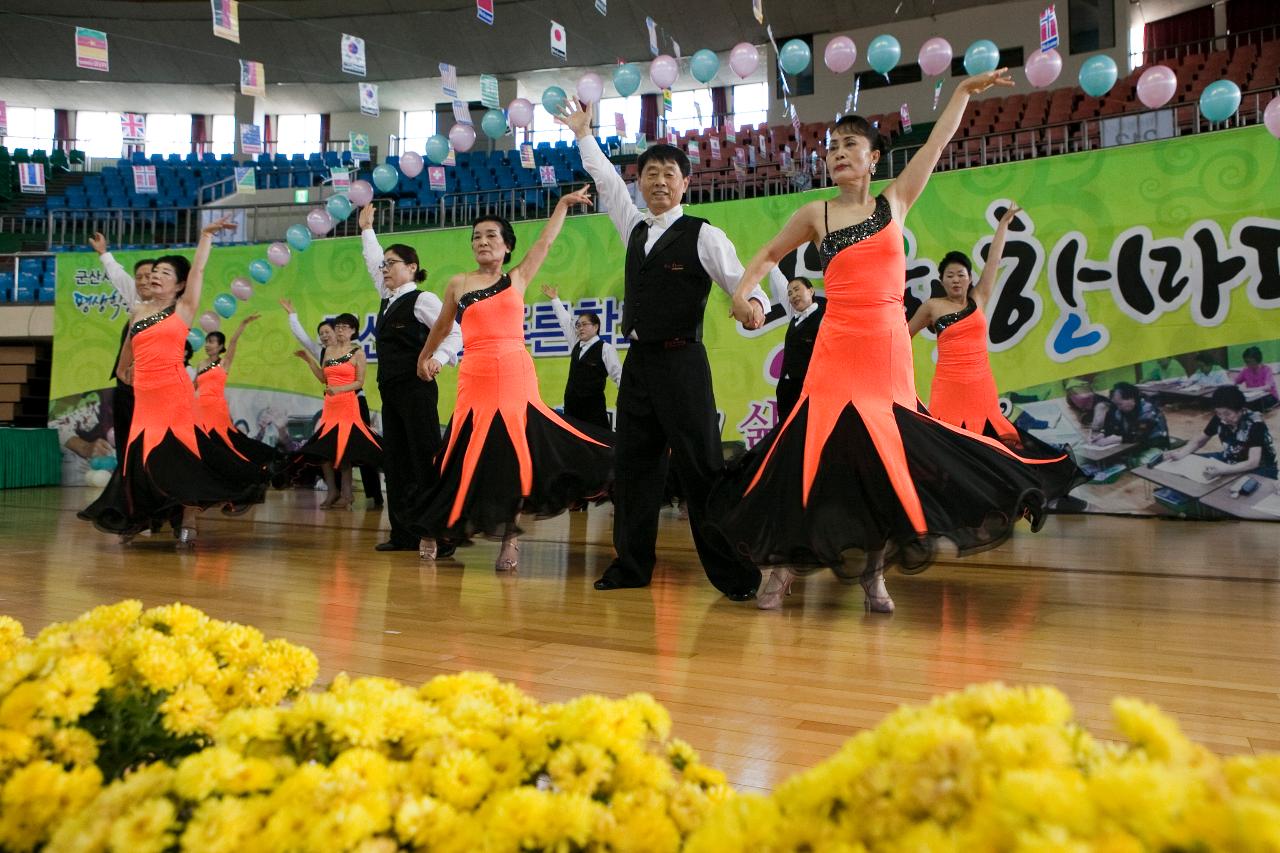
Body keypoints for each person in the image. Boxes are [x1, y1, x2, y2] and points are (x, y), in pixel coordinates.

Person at [710, 70, 1078, 612]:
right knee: (815, 455)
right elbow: (766, 255)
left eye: (849, 145)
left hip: (885, 347)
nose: (837, 153)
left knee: (883, 463)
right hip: (836, 346)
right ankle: (784, 569)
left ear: (874, 157)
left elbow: (937, 143)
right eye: (832, 147)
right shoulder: (817, 212)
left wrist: (960, 94)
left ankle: (874, 575)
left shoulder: (895, 201)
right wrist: (742, 295)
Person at [558, 99, 777, 601]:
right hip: (638, 367)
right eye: (649, 173)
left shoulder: (704, 233)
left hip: (683, 364)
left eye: (669, 174)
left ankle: (734, 575)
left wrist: (755, 304)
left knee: (702, 469)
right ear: (641, 183)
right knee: (633, 470)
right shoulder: (633, 227)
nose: (658, 181)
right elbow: (607, 183)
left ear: (684, 183)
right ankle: (631, 566)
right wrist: (584, 135)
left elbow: (742, 281)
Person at [412, 190, 611, 571]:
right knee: (459, 452)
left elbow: (546, 241)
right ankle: (436, 527)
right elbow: (441, 327)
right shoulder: (458, 283)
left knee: (516, 457)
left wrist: (563, 206)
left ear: (506, 246)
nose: (482, 242)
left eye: (491, 236)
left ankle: (511, 540)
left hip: (515, 374)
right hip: (477, 375)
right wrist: (425, 357)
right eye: (476, 236)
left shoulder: (517, 278)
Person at [78, 218, 270, 547]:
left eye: (165, 273)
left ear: (179, 286)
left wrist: (206, 237)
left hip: (174, 394)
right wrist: (126, 371)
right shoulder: (137, 311)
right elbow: (127, 350)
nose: (155, 276)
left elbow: (197, 271)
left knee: (179, 457)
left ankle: (189, 517)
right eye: (155, 271)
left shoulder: (183, 309)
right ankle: (141, 516)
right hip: (145, 397)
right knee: (140, 459)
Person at [357, 205, 463, 552]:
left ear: (412, 268)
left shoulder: (423, 299)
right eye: (384, 265)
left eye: (392, 264)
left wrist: (437, 359)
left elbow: (455, 332)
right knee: (398, 463)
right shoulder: (388, 300)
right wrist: (367, 230)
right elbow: (373, 263)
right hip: (390, 394)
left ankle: (441, 535)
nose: (384, 269)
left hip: (417, 392)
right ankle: (404, 533)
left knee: (425, 460)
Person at [281, 299, 384, 508]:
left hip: (349, 404)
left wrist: (340, 389)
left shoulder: (358, 352)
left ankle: (349, 495)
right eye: (337, 326)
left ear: (353, 331)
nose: (339, 330)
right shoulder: (327, 351)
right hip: (330, 407)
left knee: (347, 451)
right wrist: (308, 360)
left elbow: (359, 382)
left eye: (344, 327)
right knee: (324, 451)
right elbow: (323, 378)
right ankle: (333, 491)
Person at [89, 233, 153, 467]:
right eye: (139, 277)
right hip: (128, 382)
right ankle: (128, 479)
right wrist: (104, 253)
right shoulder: (136, 302)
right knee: (127, 438)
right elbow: (117, 275)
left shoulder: (171, 308)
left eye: (150, 276)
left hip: (154, 385)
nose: (144, 281)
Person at [193, 313, 277, 467]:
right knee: (202, 442)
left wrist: (243, 324)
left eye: (211, 342)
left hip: (216, 408)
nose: (207, 345)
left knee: (223, 441)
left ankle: (242, 467)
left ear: (220, 346)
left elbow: (233, 341)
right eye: (206, 341)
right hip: (199, 409)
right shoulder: (200, 364)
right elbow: (194, 387)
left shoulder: (224, 363)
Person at [539, 284, 623, 430]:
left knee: (597, 447)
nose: (580, 328)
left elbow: (619, 376)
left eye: (584, 324)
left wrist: (625, 401)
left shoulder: (606, 349)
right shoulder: (577, 345)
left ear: (596, 327)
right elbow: (565, 322)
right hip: (572, 409)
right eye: (578, 325)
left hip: (593, 411)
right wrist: (555, 299)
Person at [1165, 385, 1276, 479]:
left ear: (1240, 409)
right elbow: (1200, 441)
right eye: (1218, 413)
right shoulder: (1220, 418)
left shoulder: (1255, 423)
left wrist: (1224, 470)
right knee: (1190, 460)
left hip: (1261, 467)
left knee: (1236, 489)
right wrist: (1181, 453)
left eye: (1227, 413)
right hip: (1230, 458)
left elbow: (1253, 462)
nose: (1223, 418)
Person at [775, 277, 825, 423]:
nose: (793, 295)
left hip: (811, 390)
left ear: (811, 290)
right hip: (787, 390)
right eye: (789, 293)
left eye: (797, 289)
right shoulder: (794, 319)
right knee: (787, 434)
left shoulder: (825, 317)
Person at [1092, 383, 1169, 450]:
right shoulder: (1120, 410)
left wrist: (1118, 439)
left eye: (1120, 404)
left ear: (1132, 399)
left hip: (1154, 446)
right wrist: (1104, 434)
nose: (1118, 407)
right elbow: (1111, 426)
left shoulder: (1148, 410)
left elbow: (1138, 436)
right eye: (1116, 404)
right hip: (1132, 446)